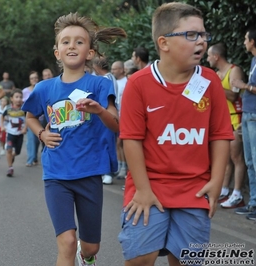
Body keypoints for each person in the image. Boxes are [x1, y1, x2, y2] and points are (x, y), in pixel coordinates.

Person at [118, 3, 233, 266]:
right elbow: (132, 140)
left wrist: (216, 182)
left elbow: (220, 135)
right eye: (191, 35)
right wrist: (144, 190)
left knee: (187, 260)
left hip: (194, 189)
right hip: (149, 185)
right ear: (164, 43)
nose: (202, 41)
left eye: (204, 35)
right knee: (140, 258)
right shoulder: (139, 83)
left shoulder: (210, 81)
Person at [22, 12, 125, 266]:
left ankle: (87, 257)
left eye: (79, 41)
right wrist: (42, 133)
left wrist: (98, 110)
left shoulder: (100, 85)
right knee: (67, 241)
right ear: (57, 52)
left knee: (90, 246)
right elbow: (30, 117)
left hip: (89, 172)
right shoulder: (44, 88)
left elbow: (116, 125)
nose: (72, 46)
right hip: (56, 173)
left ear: (90, 52)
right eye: (65, 41)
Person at [206, 42, 246, 209]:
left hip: (236, 118)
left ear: (216, 56)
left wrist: (215, 85)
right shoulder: (216, 74)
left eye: (208, 56)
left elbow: (233, 97)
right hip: (223, 119)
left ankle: (237, 193)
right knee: (226, 157)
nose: (207, 59)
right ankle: (224, 189)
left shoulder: (233, 70)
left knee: (237, 157)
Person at [231, 27, 256, 221]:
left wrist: (244, 85)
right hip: (248, 114)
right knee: (249, 162)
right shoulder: (254, 60)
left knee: (255, 161)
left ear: (253, 41)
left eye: (246, 38)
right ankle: (253, 203)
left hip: (254, 115)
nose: (243, 42)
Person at [93, 56, 119, 185]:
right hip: (102, 115)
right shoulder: (107, 78)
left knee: (107, 143)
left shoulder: (107, 79)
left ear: (97, 66)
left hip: (108, 115)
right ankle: (105, 171)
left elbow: (109, 101)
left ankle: (108, 172)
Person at [0, 89, 26, 177]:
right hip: (10, 133)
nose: (19, 99)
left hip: (19, 134)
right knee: (9, 149)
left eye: (20, 97)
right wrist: (2, 126)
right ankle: (10, 168)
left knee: (17, 152)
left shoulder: (24, 108)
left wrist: (25, 128)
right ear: (11, 98)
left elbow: (29, 119)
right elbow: (2, 117)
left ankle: (13, 156)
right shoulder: (8, 109)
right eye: (16, 97)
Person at [111, 60, 128, 179]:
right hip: (117, 117)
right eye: (112, 69)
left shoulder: (127, 82)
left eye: (115, 69)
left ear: (122, 69)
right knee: (118, 144)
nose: (113, 71)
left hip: (125, 117)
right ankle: (120, 166)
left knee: (122, 143)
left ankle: (125, 168)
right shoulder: (114, 82)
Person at [23, 71, 40, 167]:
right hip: (30, 118)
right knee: (31, 139)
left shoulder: (41, 89)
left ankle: (34, 158)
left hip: (42, 118)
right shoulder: (25, 91)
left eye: (35, 78)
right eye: (32, 78)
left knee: (38, 139)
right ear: (29, 80)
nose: (34, 80)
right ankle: (30, 159)